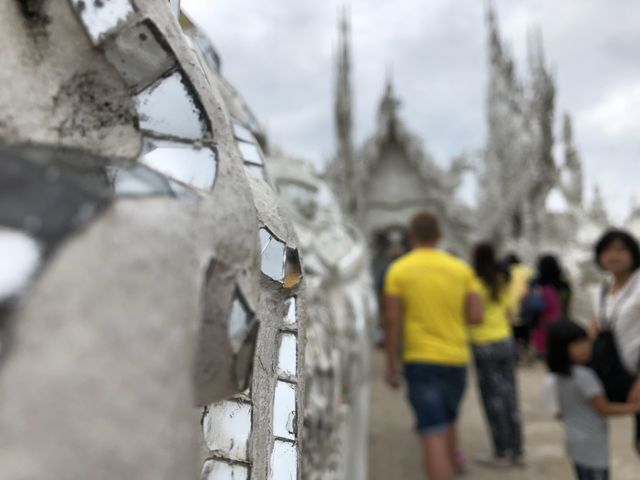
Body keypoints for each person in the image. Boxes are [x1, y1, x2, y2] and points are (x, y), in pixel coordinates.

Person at [384, 211, 483, 480]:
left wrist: (391, 365)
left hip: (420, 360)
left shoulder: (399, 270)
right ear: (439, 236)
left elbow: (392, 322)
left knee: (431, 434)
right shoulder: (461, 269)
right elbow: (477, 316)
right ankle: (453, 465)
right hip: (456, 359)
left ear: (409, 237)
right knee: (449, 421)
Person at [547, 320, 640, 479]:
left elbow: (559, 412)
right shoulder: (585, 377)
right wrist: (635, 407)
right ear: (561, 349)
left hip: (574, 442)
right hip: (593, 446)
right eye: (577, 344)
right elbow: (604, 408)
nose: (585, 346)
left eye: (585, 340)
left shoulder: (557, 377)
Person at [470, 244, 524, 468]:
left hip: (484, 344)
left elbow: (475, 316)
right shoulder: (501, 280)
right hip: (505, 341)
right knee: (510, 397)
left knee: (493, 400)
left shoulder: (473, 283)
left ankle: (501, 452)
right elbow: (510, 312)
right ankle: (517, 450)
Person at [589, 229, 640, 456]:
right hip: (619, 373)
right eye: (607, 250)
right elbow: (594, 328)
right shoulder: (602, 289)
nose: (613, 255)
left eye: (620, 249)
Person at [529, 255, 571, 357]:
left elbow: (534, 306)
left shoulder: (536, 284)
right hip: (560, 322)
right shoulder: (564, 285)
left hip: (541, 324)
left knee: (543, 352)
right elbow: (566, 303)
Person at [502, 253, 534, 362]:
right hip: (525, 306)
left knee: (512, 333)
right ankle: (526, 353)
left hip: (509, 306)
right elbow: (532, 285)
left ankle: (514, 354)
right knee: (525, 333)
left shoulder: (506, 271)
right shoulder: (526, 270)